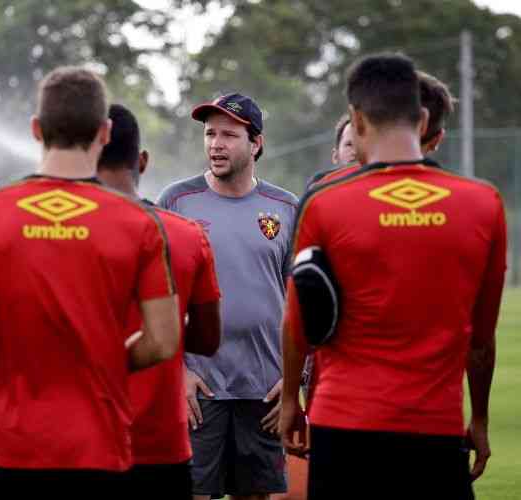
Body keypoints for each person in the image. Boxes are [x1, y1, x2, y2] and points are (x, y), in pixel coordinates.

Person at [0, 66, 181, 498]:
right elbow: (164, 341)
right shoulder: (140, 224)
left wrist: (14, 357)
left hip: (6, 458)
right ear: (105, 132)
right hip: (99, 456)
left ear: (36, 130)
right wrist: (97, 359)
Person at [279, 53, 506, 499]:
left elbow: (297, 323)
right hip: (435, 431)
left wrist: (290, 401)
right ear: (423, 120)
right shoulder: (484, 204)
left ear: (356, 120)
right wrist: (477, 418)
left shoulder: (323, 202)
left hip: (342, 427)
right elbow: (480, 341)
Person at [158, 93, 298, 500]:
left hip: (264, 388)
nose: (216, 144)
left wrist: (294, 378)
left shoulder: (286, 206)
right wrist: (178, 371)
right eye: (209, 134)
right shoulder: (176, 202)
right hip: (199, 388)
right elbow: (157, 296)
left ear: (255, 144)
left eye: (229, 135)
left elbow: (300, 302)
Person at [97, 103, 222, 500]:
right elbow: (206, 339)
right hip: (161, 444)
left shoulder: (59, 235)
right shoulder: (186, 235)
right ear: (143, 161)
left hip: (82, 439)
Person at [308, 70, 456, 188]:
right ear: (437, 138)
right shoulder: (470, 197)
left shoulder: (323, 196)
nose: (355, 151)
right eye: (349, 144)